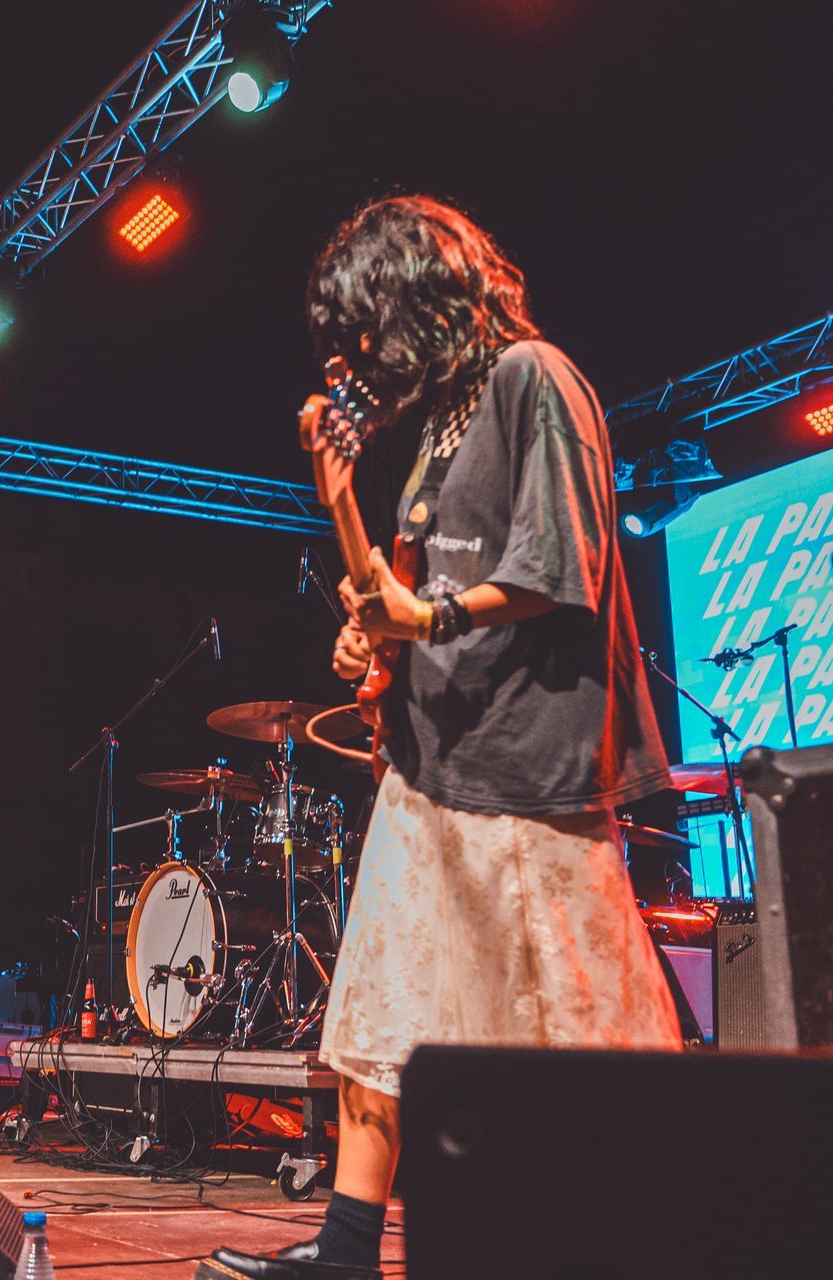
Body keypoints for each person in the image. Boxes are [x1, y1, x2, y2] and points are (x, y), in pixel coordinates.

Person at [204, 196, 681, 1280]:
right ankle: (346, 1248)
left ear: (420, 293)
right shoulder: (441, 424)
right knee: (387, 1001)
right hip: (432, 760)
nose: (363, 351)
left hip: (521, 764)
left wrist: (431, 618)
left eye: (369, 322)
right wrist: (357, 571)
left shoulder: (534, 378)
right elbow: (400, 589)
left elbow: (564, 565)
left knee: (562, 1019)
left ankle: (641, 1226)